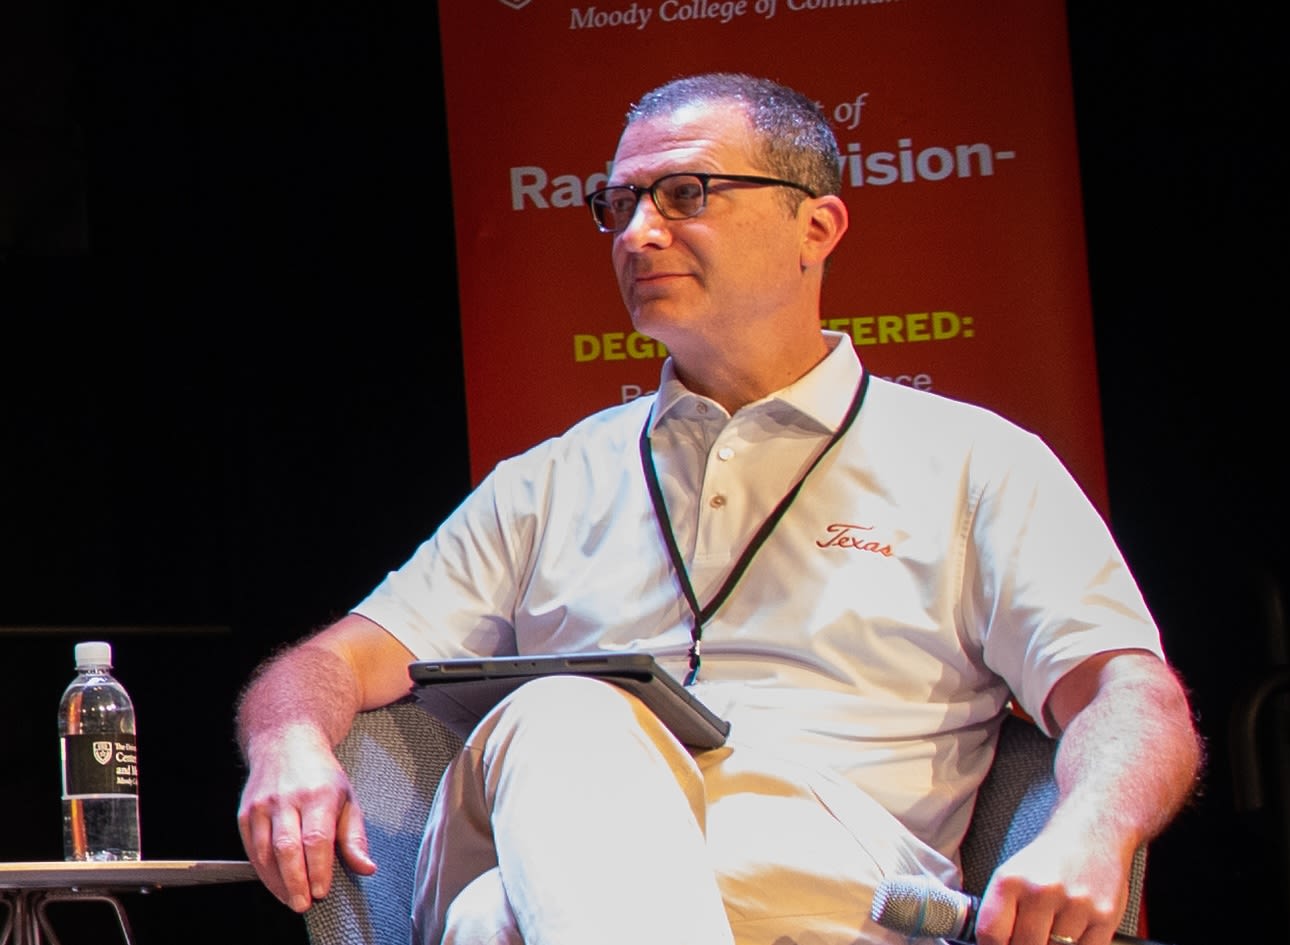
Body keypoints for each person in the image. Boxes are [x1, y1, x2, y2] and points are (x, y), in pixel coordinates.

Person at [235, 72, 1203, 945]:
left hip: (834, 882)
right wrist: (286, 741)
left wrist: (1090, 830)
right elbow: (330, 664)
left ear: (815, 229)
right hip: (547, 808)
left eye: (685, 194)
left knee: (500, 917)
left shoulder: (975, 463)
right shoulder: (549, 481)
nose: (636, 233)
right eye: (617, 204)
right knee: (572, 715)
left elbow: (1130, 696)